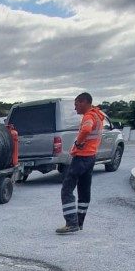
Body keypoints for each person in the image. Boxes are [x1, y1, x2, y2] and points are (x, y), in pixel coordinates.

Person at [56, 92, 106, 235]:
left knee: (66, 189)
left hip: (82, 157)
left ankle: (71, 223)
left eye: (76, 104)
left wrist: (78, 143)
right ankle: (79, 222)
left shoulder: (89, 116)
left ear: (84, 102)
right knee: (84, 190)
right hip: (91, 157)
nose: (75, 108)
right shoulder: (97, 115)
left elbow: (86, 129)